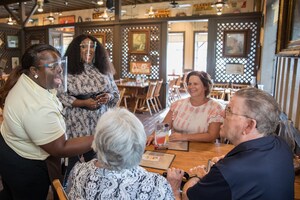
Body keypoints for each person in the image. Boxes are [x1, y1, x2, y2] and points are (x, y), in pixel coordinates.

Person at [0, 44, 94, 199]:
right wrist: (99, 138)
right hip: (24, 166)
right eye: (52, 66)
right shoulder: (36, 106)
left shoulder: (30, 80)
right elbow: (60, 148)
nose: (59, 70)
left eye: (60, 64)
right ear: (34, 71)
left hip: (10, 150)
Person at [167, 87, 295, 200]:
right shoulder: (281, 145)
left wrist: (193, 178)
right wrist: (228, 162)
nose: (222, 113)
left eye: (229, 110)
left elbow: (188, 196)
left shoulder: (229, 172)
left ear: (249, 125)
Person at [66, 108, 174, 199]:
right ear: (139, 143)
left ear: (98, 140)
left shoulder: (78, 172)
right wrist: (175, 190)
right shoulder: (156, 185)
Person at [57, 34, 119, 180]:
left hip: (100, 122)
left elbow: (115, 93)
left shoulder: (103, 69)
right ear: (75, 50)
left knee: (100, 160)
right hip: (77, 123)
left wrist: (108, 97)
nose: (88, 50)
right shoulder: (66, 71)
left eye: (92, 46)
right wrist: (82, 102)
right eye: (83, 46)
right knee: (76, 163)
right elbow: (60, 95)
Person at [146, 71, 223, 144]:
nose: (191, 87)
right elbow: (165, 125)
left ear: (205, 86)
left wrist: (184, 137)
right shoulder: (178, 104)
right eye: (189, 84)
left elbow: (212, 136)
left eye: (195, 84)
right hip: (177, 148)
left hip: (202, 151)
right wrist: (154, 135)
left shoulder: (215, 108)